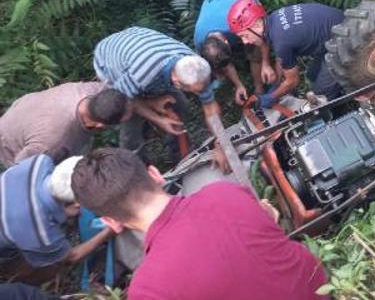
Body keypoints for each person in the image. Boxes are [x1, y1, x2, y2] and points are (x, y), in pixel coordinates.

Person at [72, 148, 329, 300]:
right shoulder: (225, 193)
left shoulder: (147, 289)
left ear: (111, 222)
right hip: (322, 290)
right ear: (155, 174)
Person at [93, 26, 230, 170]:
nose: (199, 93)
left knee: (181, 105)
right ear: (177, 82)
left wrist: (221, 145)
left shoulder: (195, 66)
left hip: (143, 47)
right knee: (131, 126)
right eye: (194, 91)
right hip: (109, 59)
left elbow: (210, 109)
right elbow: (124, 99)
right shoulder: (142, 73)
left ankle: (180, 157)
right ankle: (137, 170)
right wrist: (158, 118)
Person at [0, 154, 113, 285]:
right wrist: (109, 232)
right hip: (8, 244)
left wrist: (63, 212)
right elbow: (70, 257)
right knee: (51, 267)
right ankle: (22, 282)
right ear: (77, 205)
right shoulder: (39, 232)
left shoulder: (39, 163)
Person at [237, 3, 345, 108]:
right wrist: (278, 84)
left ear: (257, 26)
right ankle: (338, 92)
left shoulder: (281, 41)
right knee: (312, 74)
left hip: (344, 43)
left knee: (320, 97)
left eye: (245, 35)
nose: (245, 41)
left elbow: (293, 81)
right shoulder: (273, 20)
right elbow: (282, 60)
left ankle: (337, 111)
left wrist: (272, 97)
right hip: (335, 34)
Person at [0, 83, 130, 167]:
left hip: (28, 110)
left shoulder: (96, 91)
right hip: (10, 144)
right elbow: (21, 171)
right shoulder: (55, 141)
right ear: (100, 125)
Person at [194, 0, 276, 104]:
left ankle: (260, 90)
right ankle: (253, 90)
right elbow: (222, 61)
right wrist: (239, 85)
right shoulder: (199, 40)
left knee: (255, 50)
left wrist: (265, 63)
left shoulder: (237, 21)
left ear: (227, 42)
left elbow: (261, 33)